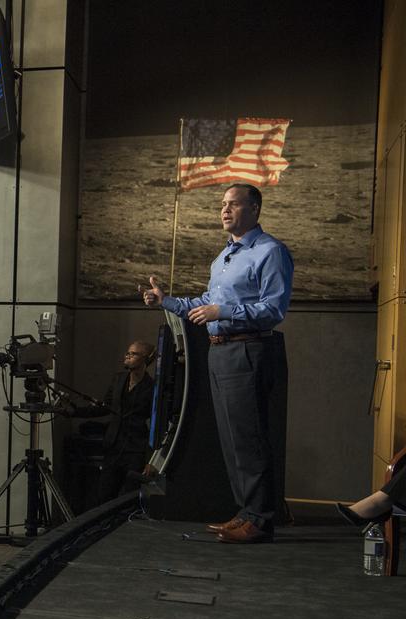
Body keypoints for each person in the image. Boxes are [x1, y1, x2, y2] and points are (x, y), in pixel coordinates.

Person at [141, 183, 293, 544]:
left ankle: (260, 520)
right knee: (232, 439)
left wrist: (222, 311)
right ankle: (246, 512)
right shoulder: (224, 257)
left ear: (254, 209)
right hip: (219, 352)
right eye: (222, 204)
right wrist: (166, 301)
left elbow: (273, 309)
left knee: (249, 438)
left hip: (248, 350)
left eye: (233, 204)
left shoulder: (270, 251)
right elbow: (206, 302)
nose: (224, 210)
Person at [69, 341, 156, 506]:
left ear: (146, 359)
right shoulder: (119, 379)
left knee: (128, 498)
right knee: (104, 495)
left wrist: (151, 459)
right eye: (127, 352)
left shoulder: (151, 387)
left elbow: (155, 423)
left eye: (133, 354)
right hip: (113, 446)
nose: (127, 356)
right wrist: (74, 412)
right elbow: (105, 407)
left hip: (135, 449)